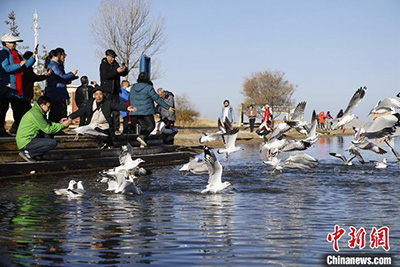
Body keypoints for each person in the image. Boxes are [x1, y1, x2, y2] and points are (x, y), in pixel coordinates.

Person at [69, 87, 136, 149]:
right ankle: (102, 142)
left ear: (103, 95)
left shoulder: (107, 103)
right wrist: (70, 117)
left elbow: (116, 106)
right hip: (92, 125)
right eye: (96, 94)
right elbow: (81, 111)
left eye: (100, 94)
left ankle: (104, 143)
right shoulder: (90, 104)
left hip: (104, 126)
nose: (98, 96)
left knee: (101, 133)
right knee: (80, 130)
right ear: (94, 96)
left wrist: (126, 108)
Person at [0, 33, 36, 137]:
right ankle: (2, 130)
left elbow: (25, 66)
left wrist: (33, 58)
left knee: (18, 110)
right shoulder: (3, 53)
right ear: (6, 43)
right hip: (6, 86)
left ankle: (21, 130)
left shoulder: (16, 53)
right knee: (3, 110)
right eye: (12, 42)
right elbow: (5, 68)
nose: (15, 44)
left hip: (16, 88)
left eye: (15, 42)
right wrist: (18, 65)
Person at [16, 96, 72, 162]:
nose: (49, 109)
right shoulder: (36, 114)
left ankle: (37, 155)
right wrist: (62, 125)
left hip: (29, 139)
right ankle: (29, 153)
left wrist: (60, 123)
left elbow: (48, 124)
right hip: (26, 141)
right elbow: (48, 129)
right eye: (48, 107)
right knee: (52, 143)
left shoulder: (38, 111)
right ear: (42, 105)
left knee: (48, 136)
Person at [129, 72, 174, 148]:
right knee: (151, 126)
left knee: (144, 127)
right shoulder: (148, 87)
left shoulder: (133, 87)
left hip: (135, 111)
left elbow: (130, 97)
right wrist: (167, 107)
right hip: (146, 110)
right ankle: (142, 136)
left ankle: (142, 143)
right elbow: (156, 98)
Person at [44, 48, 78, 128]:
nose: (64, 57)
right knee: (56, 112)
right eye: (64, 55)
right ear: (59, 55)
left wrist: (71, 78)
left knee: (58, 112)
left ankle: (57, 128)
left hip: (58, 93)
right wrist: (71, 74)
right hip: (56, 93)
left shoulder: (56, 65)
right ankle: (54, 129)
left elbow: (60, 79)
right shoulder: (54, 65)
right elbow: (62, 76)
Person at [99, 49, 128, 135]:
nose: (113, 59)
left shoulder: (115, 64)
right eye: (111, 57)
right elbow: (106, 76)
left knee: (116, 111)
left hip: (115, 91)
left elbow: (123, 74)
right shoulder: (103, 65)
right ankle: (106, 127)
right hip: (107, 91)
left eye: (114, 58)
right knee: (107, 110)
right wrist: (116, 71)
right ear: (107, 56)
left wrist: (124, 69)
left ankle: (116, 128)